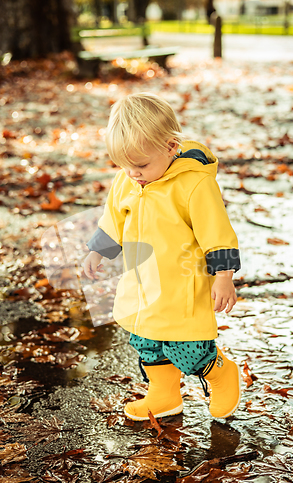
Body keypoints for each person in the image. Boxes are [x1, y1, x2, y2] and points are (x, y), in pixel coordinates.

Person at [83, 92, 242, 421]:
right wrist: (98, 250)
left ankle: (219, 372)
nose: (132, 173)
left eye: (141, 165)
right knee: (146, 343)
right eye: (124, 165)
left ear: (171, 147)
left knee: (188, 348)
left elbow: (216, 231)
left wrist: (223, 276)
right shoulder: (127, 180)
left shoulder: (193, 185)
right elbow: (114, 218)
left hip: (182, 286)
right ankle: (164, 394)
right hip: (142, 285)